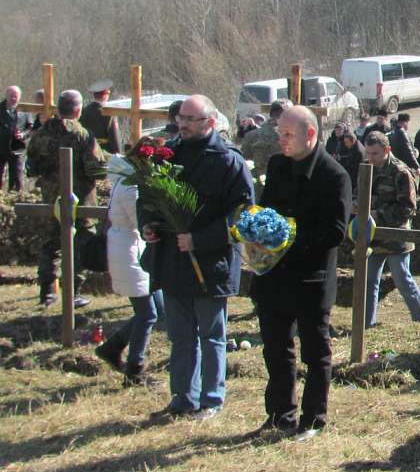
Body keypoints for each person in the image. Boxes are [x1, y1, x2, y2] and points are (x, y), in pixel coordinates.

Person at [141, 95, 253, 421]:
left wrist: (200, 240)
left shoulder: (228, 161)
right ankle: (182, 399)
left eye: (191, 119)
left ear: (210, 123)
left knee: (211, 335)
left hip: (210, 264)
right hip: (174, 262)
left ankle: (211, 399)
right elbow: (148, 198)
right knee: (180, 336)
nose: (182, 123)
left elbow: (241, 216)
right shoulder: (167, 155)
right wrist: (148, 225)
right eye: (181, 118)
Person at [252, 107, 352, 441]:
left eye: (287, 134)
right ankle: (280, 413)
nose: (280, 140)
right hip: (274, 275)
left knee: (314, 350)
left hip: (311, 276)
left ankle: (313, 418)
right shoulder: (279, 165)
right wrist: (255, 231)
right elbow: (268, 209)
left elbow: (336, 231)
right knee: (276, 347)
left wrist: (290, 235)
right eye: (279, 132)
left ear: (310, 135)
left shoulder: (334, 175)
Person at [24, 90, 107, 307]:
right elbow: (97, 171)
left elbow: (30, 167)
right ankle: (73, 292)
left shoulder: (41, 133)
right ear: (78, 111)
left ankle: (47, 294)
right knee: (82, 243)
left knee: (51, 244)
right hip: (81, 200)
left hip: (52, 199)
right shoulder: (82, 135)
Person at [95, 152, 165, 386]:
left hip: (129, 249)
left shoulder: (124, 182)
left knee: (156, 310)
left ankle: (112, 347)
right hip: (131, 251)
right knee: (148, 313)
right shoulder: (130, 188)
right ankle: (135, 369)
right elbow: (141, 221)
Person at [362, 131, 420, 327]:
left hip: (396, 235)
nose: (370, 158)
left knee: (401, 279)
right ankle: (367, 323)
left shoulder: (401, 172)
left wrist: (378, 214)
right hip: (374, 236)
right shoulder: (368, 169)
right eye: (368, 153)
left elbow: (408, 209)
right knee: (369, 281)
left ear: (387, 150)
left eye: (375, 153)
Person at [241, 99, 292, 181]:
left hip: (257, 187)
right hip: (283, 186)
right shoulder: (292, 137)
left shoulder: (251, 136)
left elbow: (244, 163)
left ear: (271, 113)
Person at [0, 85, 31, 191]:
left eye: (16, 96)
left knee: (16, 178)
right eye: (11, 96)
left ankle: (14, 199)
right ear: (6, 95)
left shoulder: (24, 111)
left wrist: (23, 135)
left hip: (16, 149)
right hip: (0, 148)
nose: (14, 99)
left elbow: (30, 128)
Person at [80, 79, 122, 154]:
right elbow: (114, 141)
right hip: (104, 153)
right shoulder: (109, 114)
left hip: (86, 152)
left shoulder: (83, 111)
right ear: (105, 96)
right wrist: (118, 153)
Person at [389, 112, 419, 178]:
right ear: (405, 122)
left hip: (397, 165)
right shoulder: (402, 133)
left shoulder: (395, 132)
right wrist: (416, 166)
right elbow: (408, 151)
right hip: (404, 166)